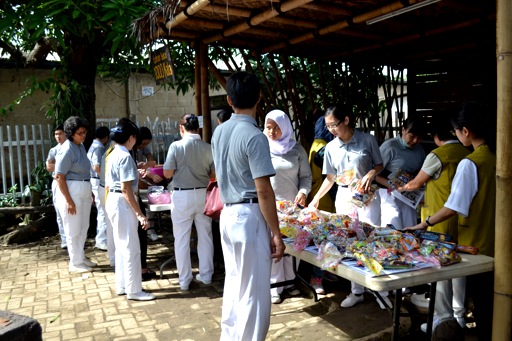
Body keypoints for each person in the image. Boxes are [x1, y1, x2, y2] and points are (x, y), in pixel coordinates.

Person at [405, 102, 496, 338]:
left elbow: (453, 207)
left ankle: (450, 322)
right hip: (496, 239)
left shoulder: (471, 163)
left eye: (456, 131)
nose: (455, 135)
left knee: (483, 303)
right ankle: (459, 318)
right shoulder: (495, 156)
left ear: (466, 131)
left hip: (477, 243)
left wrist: (424, 224)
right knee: (489, 304)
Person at [211, 71, 285, 341]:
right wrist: (276, 232)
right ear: (259, 97)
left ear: (229, 100)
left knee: (234, 284)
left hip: (228, 213)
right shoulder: (255, 136)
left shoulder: (219, 132)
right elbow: (264, 191)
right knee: (253, 290)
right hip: (249, 213)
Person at [308, 104, 391, 309]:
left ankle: (381, 291)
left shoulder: (367, 140)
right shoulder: (330, 147)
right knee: (350, 242)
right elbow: (330, 178)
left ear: (346, 120)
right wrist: (316, 198)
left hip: (367, 196)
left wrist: (372, 174)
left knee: (372, 240)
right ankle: (357, 291)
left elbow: (379, 165)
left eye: (334, 125)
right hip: (344, 195)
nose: (331, 130)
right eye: (327, 127)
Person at [399, 117, 470, 327]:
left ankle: (443, 318)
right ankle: (460, 315)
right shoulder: (466, 153)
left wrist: (398, 186)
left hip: (438, 220)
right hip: (461, 219)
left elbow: (416, 184)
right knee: (461, 268)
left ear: (436, 137)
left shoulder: (437, 155)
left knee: (440, 269)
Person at [264, 109, 312, 304]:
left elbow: (306, 177)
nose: (272, 132)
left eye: (276, 127)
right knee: (274, 244)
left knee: (292, 245)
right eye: (269, 127)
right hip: (270, 206)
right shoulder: (262, 148)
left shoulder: (297, 150)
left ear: (285, 128)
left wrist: (303, 192)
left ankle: (290, 281)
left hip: (293, 207)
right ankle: (275, 285)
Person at [163, 114, 215, 291]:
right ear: (198, 128)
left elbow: (167, 173)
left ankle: (185, 280)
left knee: (181, 239)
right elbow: (213, 174)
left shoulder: (176, 146)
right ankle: (206, 275)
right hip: (203, 194)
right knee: (205, 236)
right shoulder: (208, 147)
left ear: (181, 128)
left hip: (181, 196)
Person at [105, 119, 155, 301]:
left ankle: (123, 285)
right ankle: (134, 290)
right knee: (131, 248)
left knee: (121, 246)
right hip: (123, 201)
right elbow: (126, 189)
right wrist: (140, 214)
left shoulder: (113, 153)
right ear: (131, 138)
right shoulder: (125, 156)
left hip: (113, 199)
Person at [54, 116, 95, 273]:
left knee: (84, 225)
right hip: (71, 189)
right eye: (80, 133)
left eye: (84, 132)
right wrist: (69, 201)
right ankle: (75, 262)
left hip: (84, 186)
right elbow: (59, 176)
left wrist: (90, 191)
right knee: (73, 227)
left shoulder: (80, 146)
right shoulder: (67, 149)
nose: (83, 135)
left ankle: (81, 256)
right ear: (71, 133)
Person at [375, 117, 427, 230]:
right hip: (389, 194)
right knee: (393, 229)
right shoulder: (390, 147)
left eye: (419, 138)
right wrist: (392, 185)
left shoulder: (419, 149)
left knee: (411, 228)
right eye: (412, 136)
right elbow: (374, 174)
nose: (415, 141)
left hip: (409, 196)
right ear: (403, 130)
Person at [306, 116, 335, 295]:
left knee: (320, 240)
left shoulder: (315, 144)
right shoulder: (324, 149)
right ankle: (316, 276)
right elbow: (331, 179)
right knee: (324, 241)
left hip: (316, 197)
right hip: (324, 200)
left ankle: (323, 273)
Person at [87, 126, 110, 251]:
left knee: (101, 209)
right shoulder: (99, 148)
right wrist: (106, 179)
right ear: (105, 137)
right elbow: (97, 167)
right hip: (97, 180)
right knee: (102, 210)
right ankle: (101, 239)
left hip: (93, 180)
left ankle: (102, 238)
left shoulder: (93, 146)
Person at [135, 126, 160, 242]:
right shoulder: (130, 149)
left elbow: (150, 159)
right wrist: (149, 174)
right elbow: (136, 169)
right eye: (143, 143)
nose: (144, 146)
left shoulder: (143, 147)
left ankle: (151, 230)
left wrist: (150, 164)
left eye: (147, 144)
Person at [46, 124, 67, 249]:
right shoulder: (53, 150)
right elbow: (49, 167)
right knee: (59, 211)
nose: (58, 136)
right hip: (57, 181)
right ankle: (64, 239)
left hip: (69, 182)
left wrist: (58, 164)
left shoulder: (72, 148)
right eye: (56, 134)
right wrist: (62, 166)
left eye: (60, 133)